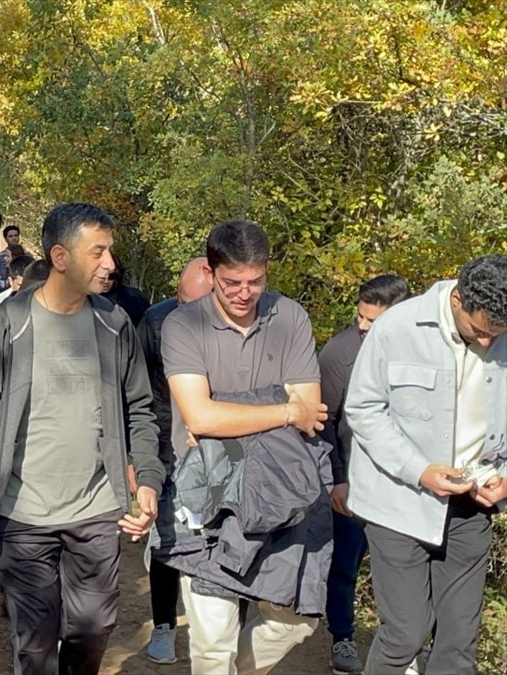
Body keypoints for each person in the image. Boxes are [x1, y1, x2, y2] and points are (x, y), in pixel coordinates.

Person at [0, 203, 163, 675]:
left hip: (95, 507)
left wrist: (146, 476)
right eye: (99, 252)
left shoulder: (113, 324)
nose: (110, 263)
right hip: (20, 513)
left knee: (92, 626)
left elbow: (140, 409)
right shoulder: (7, 324)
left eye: (111, 252)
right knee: (35, 645)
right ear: (61, 257)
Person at [160, 220, 329, 674]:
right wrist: (283, 410)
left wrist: (227, 417)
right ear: (211, 272)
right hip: (206, 494)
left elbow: (309, 411)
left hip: (281, 490)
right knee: (212, 639)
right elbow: (199, 418)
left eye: (255, 281)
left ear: (267, 270)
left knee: (295, 621)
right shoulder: (183, 324)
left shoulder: (290, 317)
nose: (244, 292)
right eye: (232, 282)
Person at [345, 254, 507, 675]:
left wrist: (505, 477)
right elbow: (363, 409)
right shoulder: (396, 328)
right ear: (457, 299)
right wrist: (420, 469)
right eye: (479, 331)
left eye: (498, 334)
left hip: (472, 506)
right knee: (406, 634)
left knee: (457, 645)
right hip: (398, 501)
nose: (488, 343)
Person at [317, 274, 412, 674]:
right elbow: (324, 422)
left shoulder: (422, 351)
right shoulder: (339, 354)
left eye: (373, 321)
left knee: (405, 572)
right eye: (360, 316)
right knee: (345, 565)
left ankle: (401, 648)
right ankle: (342, 638)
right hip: (353, 484)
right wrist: (337, 478)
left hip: (407, 484)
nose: (363, 326)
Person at [133, 256, 213, 665]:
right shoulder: (155, 320)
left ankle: (213, 631)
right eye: (179, 299)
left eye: (192, 304)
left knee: (215, 542)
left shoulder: (235, 328)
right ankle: (163, 625)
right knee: (166, 538)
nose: (183, 309)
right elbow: (137, 393)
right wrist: (140, 457)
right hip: (165, 446)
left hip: (218, 451)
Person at [101, 252, 150, 326]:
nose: (106, 281)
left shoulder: (135, 297)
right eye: (101, 276)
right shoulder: (83, 298)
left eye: (112, 276)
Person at [0, 224, 22, 293]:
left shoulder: (26, 256)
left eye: (16, 235)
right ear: (6, 239)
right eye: (10, 236)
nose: (14, 238)